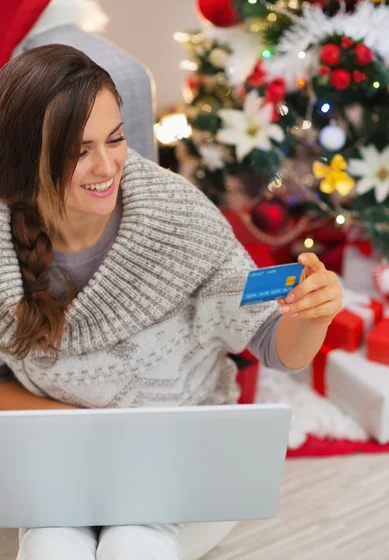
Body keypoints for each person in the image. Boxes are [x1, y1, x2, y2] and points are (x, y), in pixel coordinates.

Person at [0, 44, 342, 560]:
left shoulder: (178, 219)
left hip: (185, 464)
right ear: (27, 158)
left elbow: (276, 346)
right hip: (65, 462)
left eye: (115, 139)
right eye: (78, 150)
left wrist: (314, 312)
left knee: (131, 546)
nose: (106, 166)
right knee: (51, 546)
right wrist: (79, 430)